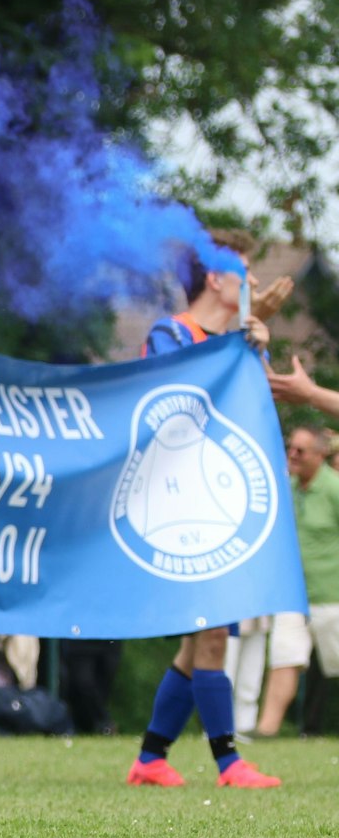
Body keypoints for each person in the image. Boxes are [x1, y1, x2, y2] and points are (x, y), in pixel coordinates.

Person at [129, 229, 281, 789]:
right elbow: (178, 405)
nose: (256, 285)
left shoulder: (243, 338)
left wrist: (255, 348)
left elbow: (255, 414)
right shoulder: (168, 333)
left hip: (225, 498)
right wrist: (237, 346)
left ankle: (149, 758)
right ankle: (228, 762)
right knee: (213, 629)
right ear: (215, 279)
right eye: (245, 273)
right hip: (178, 504)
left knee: (200, 640)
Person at [248, 426, 339, 736]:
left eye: (301, 450)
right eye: (291, 448)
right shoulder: (285, 489)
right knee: (285, 660)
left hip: (332, 595)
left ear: (320, 454)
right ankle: (267, 732)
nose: (293, 455)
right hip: (293, 594)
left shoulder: (334, 489)